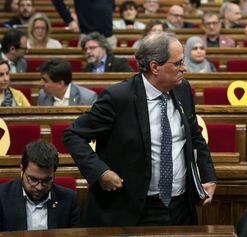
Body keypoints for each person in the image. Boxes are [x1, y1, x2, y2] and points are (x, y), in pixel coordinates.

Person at [62, 32, 217, 227]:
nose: (184, 68)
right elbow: (72, 134)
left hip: (181, 206)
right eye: (177, 63)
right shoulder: (118, 98)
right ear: (155, 67)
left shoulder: (182, 89)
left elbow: (195, 135)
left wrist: (209, 176)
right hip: (135, 209)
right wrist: (100, 172)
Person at [0, 140, 80, 231]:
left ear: (54, 173)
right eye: (33, 180)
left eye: (46, 180)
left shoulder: (69, 199)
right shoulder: (2, 197)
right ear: (22, 170)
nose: (39, 187)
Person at [52, 0, 117, 48]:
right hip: (87, 38)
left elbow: (111, 6)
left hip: (109, 38)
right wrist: (69, 21)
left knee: (112, 66)